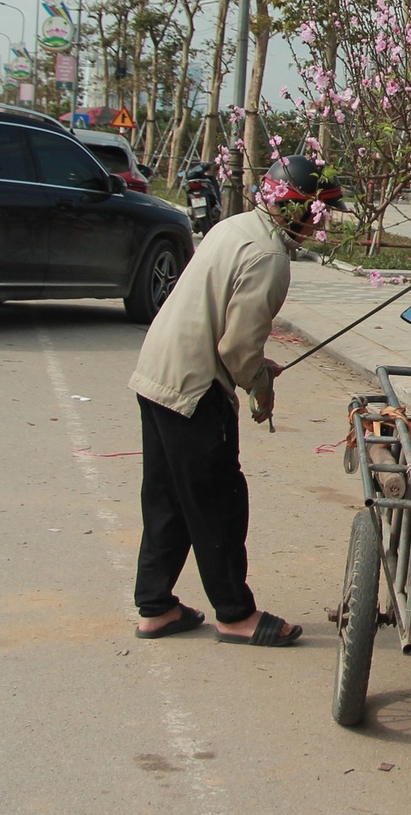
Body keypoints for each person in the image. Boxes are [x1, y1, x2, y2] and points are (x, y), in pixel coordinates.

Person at [127, 155, 348, 647]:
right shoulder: (270, 257)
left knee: (168, 497)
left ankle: (156, 605)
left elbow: (229, 330)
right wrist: (259, 384)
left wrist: (254, 367)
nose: (323, 221)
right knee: (219, 501)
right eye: (320, 210)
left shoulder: (237, 226)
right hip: (195, 387)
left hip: (158, 372)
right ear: (295, 209)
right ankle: (234, 614)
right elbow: (235, 349)